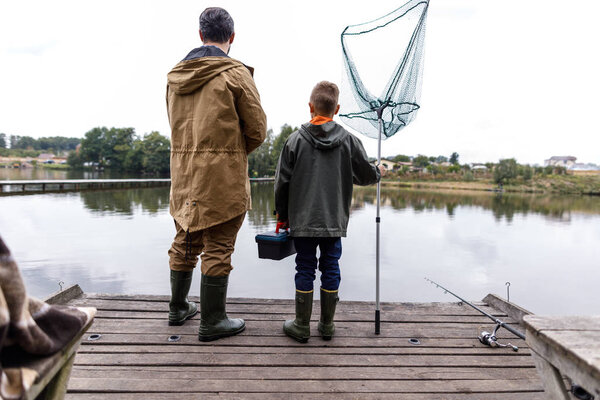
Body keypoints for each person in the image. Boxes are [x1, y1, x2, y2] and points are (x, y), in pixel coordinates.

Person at [165, 7, 267, 342]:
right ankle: (212, 321)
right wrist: (230, 155)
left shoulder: (175, 77)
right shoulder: (236, 74)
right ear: (231, 37)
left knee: (186, 238)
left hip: (184, 176)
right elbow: (258, 130)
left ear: (200, 35)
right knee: (219, 245)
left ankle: (178, 308)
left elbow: (176, 127)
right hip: (223, 177)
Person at [274, 81, 385, 343]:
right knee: (331, 266)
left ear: (310, 107)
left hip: (302, 222)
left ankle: (301, 326)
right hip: (334, 221)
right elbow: (366, 175)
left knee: (304, 266)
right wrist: (380, 171)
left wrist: (282, 216)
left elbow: (282, 182)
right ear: (337, 109)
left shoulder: (294, 140)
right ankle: (326, 326)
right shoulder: (349, 141)